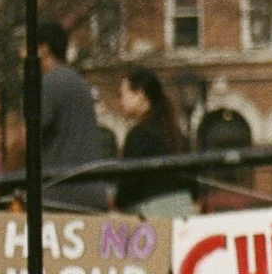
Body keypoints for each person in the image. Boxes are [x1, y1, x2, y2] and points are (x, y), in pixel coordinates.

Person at [32, 20, 114, 212]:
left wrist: (8, 179)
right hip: (91, 192)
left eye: (27, 47)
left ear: (43, 49)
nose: (22, 54)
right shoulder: (80, 84)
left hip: (57, 194)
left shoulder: (48, 84)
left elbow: (24, 139)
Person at [113, 67, 199, 219]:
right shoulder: (176, 134)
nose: (120, 102)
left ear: (140, 95)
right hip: (183, 213)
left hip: (151, 218)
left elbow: (128, 188)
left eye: (122, 95)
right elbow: (194, 185)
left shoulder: (138, 135)